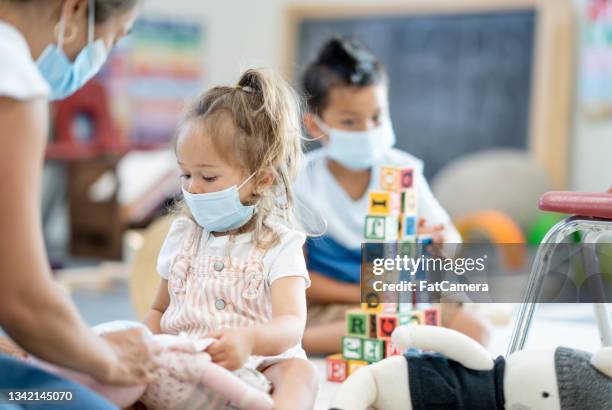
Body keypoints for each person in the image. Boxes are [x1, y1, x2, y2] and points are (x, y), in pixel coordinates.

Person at [0, 0, 156, 407]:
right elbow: (23, 301)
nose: (102, 57)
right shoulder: (12, 78)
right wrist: (108, 361)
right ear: (74, 10)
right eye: (114, 39)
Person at [295, 37, 491, 354]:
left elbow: (450, 239)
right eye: (349, 121)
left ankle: (401, 333)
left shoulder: (402, 169)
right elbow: (298, 279)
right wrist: (366, 295)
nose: (367, 129)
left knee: (477, 330)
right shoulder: (300, 181)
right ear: (315, 125)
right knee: (300, 333)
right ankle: (402, 335)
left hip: (404, 300)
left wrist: (443, 242)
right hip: (336, 307)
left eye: (377, 117)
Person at [143, 69, 319, 410]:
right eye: (185, 174)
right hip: (188, 366)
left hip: (260, 363)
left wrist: (250, 340)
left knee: (301, 372)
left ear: (262, 179)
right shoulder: (182, 236)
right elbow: (158, 310)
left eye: (208, 176)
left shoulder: (280, 244)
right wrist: (145, 345)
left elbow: (292, 324)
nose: (192, 187)